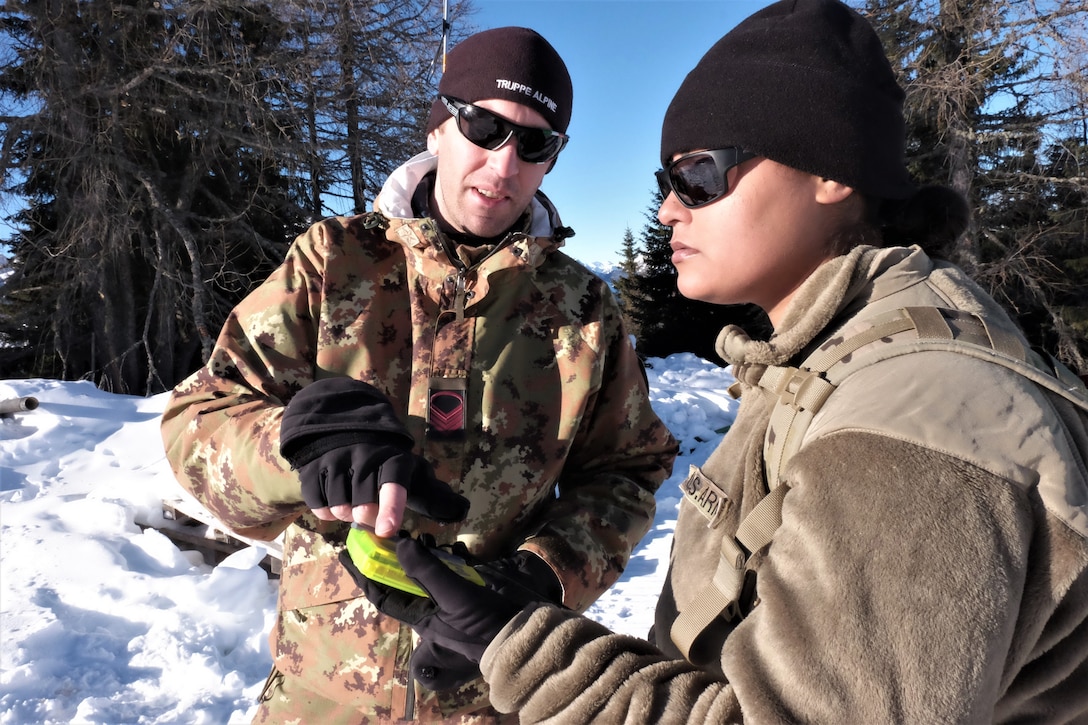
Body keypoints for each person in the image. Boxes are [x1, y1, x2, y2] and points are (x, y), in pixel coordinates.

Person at [362, 1, 1088, 722]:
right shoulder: (828, 369)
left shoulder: (913, 420)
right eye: (664, 185)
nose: (670, 212)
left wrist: (525, 650)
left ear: (830, 168)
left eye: (698, 177)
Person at [160, 26, 678, 724]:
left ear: (552, 160)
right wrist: (299, 449)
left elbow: (628, 468)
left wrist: (543, 575)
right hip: (322, 696)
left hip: (494, 696)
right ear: (439, 125)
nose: (503, 165)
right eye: (484, 126)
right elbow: (200, 417)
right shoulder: (332, 263)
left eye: (533, 143)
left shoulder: (582, 308)